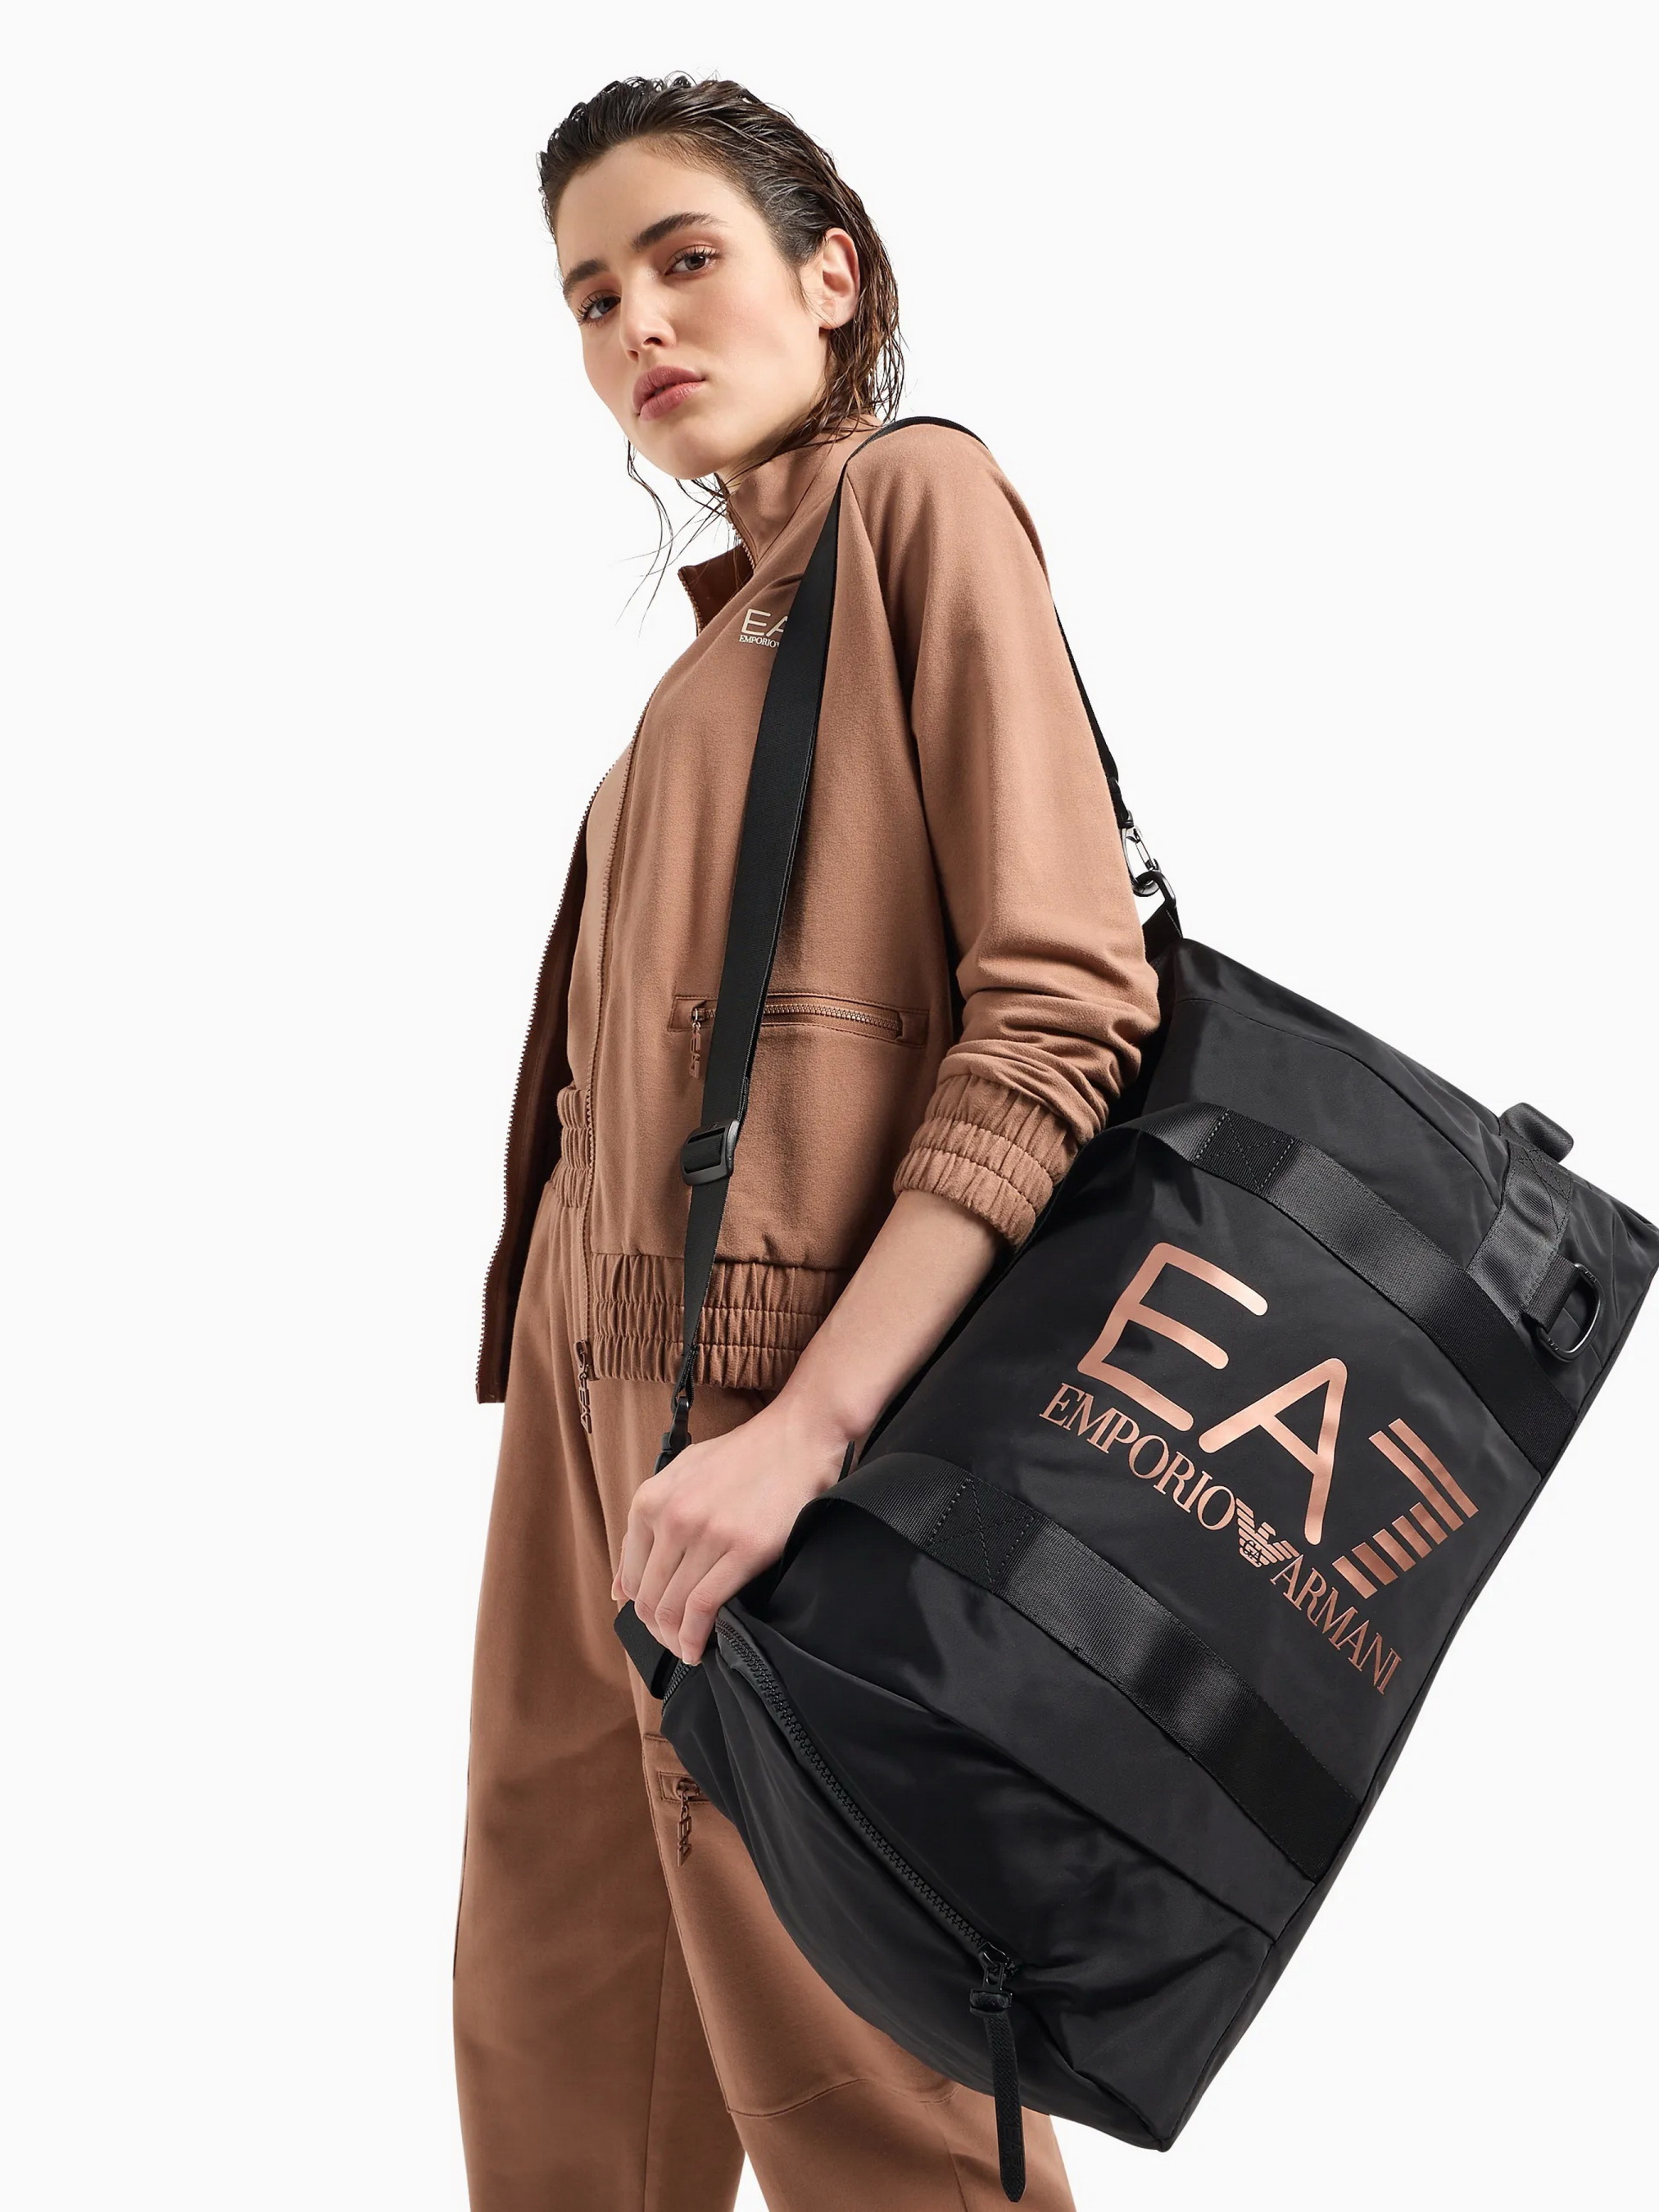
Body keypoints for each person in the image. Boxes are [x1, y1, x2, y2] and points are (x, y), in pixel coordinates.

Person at [455, 74, 1163, 2212]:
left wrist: (808, 1430)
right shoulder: (712, 654)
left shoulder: (914, 506)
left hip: (778, 1402)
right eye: (592, 296)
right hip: (590, 1401)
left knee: (872, 2095)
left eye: (684, 259)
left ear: (829, 275)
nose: (638, 326)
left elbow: (1062, 1003)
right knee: (563, 2047)